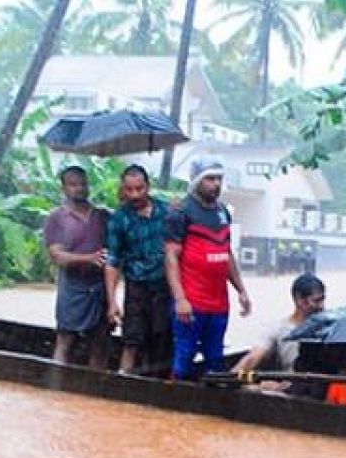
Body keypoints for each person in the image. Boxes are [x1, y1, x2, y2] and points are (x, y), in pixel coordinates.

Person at [165, 156, 252, 380]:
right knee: (184, 356)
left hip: (219, 302)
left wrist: (241, 290)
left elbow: (227, 253)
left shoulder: (223, 212)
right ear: (196, 181)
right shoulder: (181, 212)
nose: (216, 184)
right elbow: (171, 258)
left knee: (215, 358)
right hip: (192, 301)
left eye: (219, 179)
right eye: (210, 179)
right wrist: (180, 299)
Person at [105, 164, 173, 374]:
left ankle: (162, 390)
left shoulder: (167, 212)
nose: (135, 194)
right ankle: (122, 383)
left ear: (148, 187)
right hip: (136, 287)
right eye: (129, 190)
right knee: (131, 340)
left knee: (163, 339)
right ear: (123, 190)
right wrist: (112, 301)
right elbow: (113, 261)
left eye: (139, 189)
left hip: (164, 286)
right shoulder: (119, 218)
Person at [44, 165, 111, 367]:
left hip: (99, 285)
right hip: (72, 285)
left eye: (82, 184)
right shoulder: (57, 217)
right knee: (65, 338)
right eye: (73, 185)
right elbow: (57, 256)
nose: (79, 189)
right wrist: (88, 258)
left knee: (100, 340)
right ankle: (55, 388)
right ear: (63, 188)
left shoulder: (103, 216)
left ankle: (96, 388)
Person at [232, 273, 326, 374]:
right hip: (292, 384)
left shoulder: (329, 327)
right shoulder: (280, 329)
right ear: (300, 300)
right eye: (316, 301)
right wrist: (228, 379)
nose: (321, 306)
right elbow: (254, 356)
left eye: (323, 300)